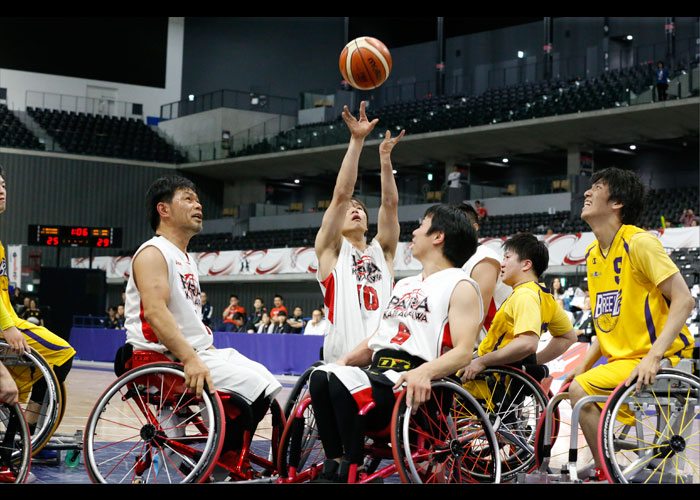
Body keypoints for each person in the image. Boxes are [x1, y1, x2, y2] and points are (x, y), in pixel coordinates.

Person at [308, 204, 483, 483]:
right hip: (379, 374)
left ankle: (351, 470)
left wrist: (425, 372)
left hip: (414, 384)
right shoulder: (404, 285)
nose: (414, 232)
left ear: (438, 236)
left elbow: (463, 352)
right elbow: (377, 340)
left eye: (422, 225)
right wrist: (342, 361)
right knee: (321, 375)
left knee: (342, 382)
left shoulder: (461, 285)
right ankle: (337, 462)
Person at [123, 175, 281, 455]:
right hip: (162, 356)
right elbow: (156, 315)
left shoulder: (185, 258)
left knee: (266, 381)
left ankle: (222, 452)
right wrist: (191, 359)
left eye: (197, 199)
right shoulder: (152, 253)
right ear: (164, 209)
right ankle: (221, 462)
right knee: (252, 387)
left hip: (194, 351)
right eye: (188, 198)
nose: (198, 205)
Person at [564, 167, 695, 481]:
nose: (586, 192)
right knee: (575, 383)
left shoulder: (639, 243)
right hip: (623, 362)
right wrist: (583, 364)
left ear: (616, 203)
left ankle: (608, 473)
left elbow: (684, 300)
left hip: (663, 358)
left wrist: (654, 356)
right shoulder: (594, 254)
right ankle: (612, 464)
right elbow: (608, 326)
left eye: (597, 187)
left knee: (580, 390)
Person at [315, 101, 403, 364]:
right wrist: (356, 141)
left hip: (382, 355)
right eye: (348, 210)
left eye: (360, 209)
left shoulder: (383, 251)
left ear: (367, 222)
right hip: (342, 353)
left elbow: (390, 204)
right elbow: (341, 195)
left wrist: (385, 159)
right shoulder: (331, 250)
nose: (354, 210)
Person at [0, 166, 76, 444]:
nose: (1, 190)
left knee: (31, 373)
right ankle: (26, 435)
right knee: (63, 354)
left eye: (4, 185)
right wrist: (8, 327)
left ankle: (20, 435)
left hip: (8, 319)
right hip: (4, 325)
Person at [461, 233, 576, 381]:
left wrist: (482, 361)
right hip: (498, 377)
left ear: (526, 264)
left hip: (489, 382)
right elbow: (568, 337)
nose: (502, 264)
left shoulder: (524, 295)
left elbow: (528, 344)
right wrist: (531, 363)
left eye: (507, 258)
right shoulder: (544, 296)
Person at [458, 203, 512, 344]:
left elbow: (478, 316)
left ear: (474, 228)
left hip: (487, 349)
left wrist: (457, 354)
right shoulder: (454, 260)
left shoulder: (484, 259)